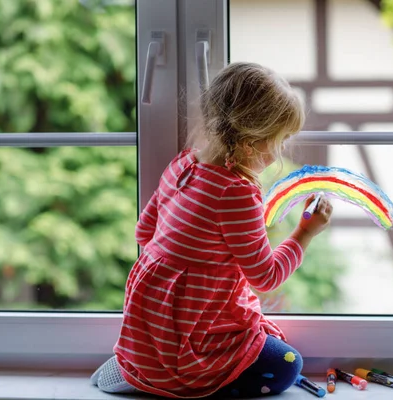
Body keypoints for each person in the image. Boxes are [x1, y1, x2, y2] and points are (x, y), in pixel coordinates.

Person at [90, 62, 333, 398]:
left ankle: (141, 367)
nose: (277, 153)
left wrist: (192, 268)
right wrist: (305, 232)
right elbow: (265, 278)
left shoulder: (184, 164)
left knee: (266, 341)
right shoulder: (236, 192)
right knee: (288, 365)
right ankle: (173, 381)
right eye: (277, 142)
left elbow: (144, 234)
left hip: (150, 327)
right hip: (191, 338)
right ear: (250, 143)